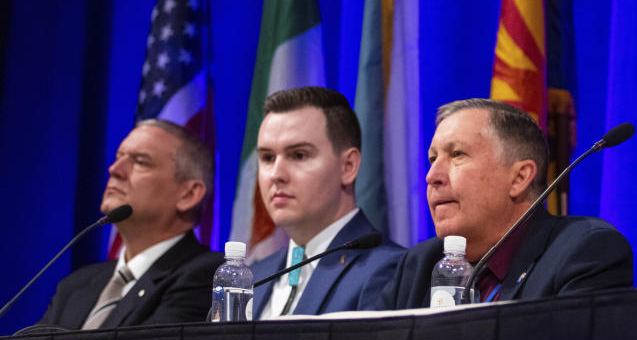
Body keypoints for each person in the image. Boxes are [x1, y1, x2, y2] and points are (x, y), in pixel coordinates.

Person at [379, 98, 633, 309]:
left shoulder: (584, 253)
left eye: (457, 154)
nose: (431, 176)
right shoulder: (418, 266)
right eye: (433, 158)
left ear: (519, 177)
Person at [39, 120, 222, 329]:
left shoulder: (208, 276)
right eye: (118, 158)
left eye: (141, 162)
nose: (114, 169)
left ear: (188, 194)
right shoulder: (74, 286)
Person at [250, 86, 403, 318]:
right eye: (268, 158)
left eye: (299, 155)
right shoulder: (255, 275)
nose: (276, 174)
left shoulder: (390, 270)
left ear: (348, 166)